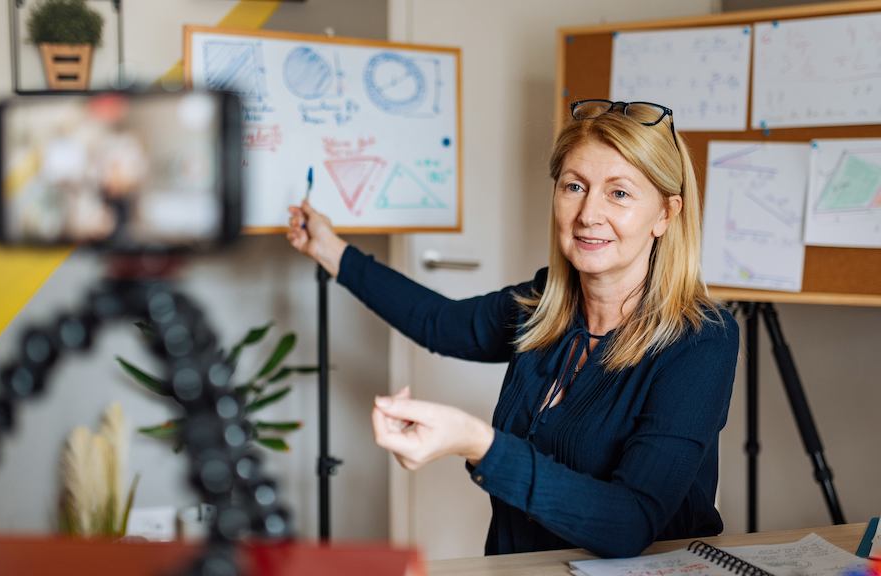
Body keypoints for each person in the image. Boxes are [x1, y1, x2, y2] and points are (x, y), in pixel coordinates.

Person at [285, 99, 739, 559]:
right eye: (574, 186)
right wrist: (330, 250)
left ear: (665, 213)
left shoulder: (701, 339)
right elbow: (438, 324)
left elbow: (630, 522)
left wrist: (477, 442)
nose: (588, 213)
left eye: (619, 193)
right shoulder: (542, 306)